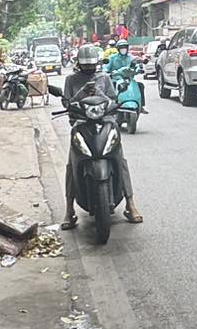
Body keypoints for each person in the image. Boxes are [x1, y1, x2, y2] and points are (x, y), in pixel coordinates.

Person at [58, 43, 143, 228]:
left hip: (105, 122)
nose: (89, 69)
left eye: (91, 65)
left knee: (120, 159)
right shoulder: (71, 80)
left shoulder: (104, 77)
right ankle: (69, 210)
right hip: (81, 123)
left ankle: (130, 204)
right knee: (72, 163)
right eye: (85, 65)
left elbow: (112, 99)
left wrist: (98, 92)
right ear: (79, 64)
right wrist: (82, 92)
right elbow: (67, 103)